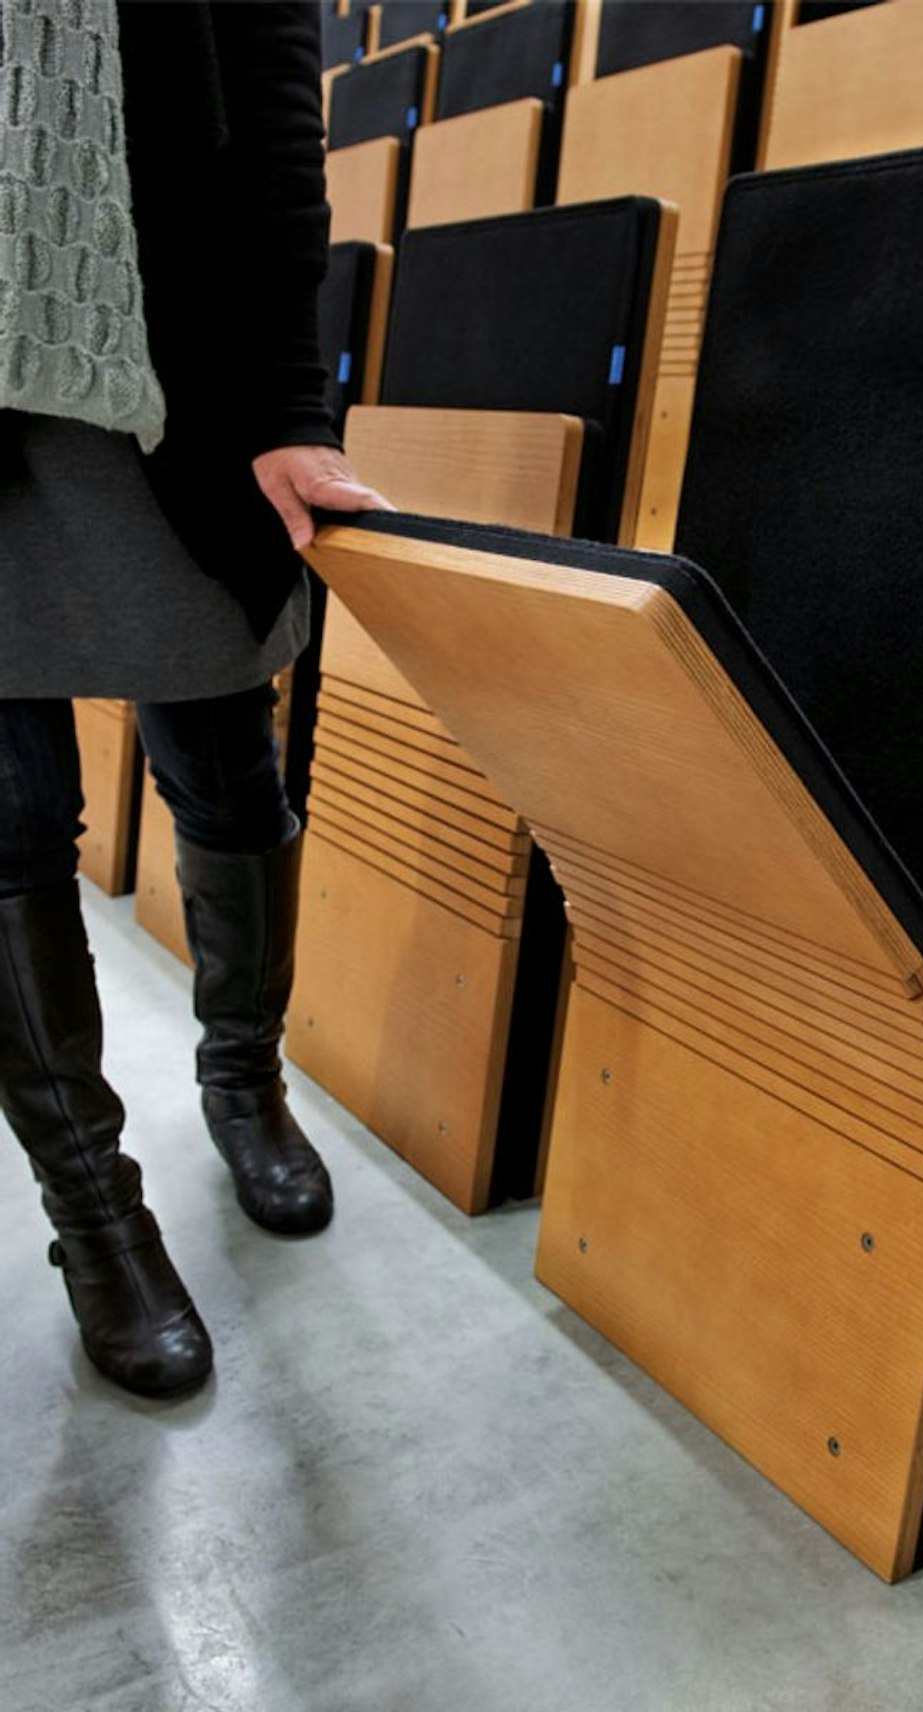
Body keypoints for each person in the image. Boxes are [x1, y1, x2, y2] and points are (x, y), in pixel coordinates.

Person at [0, 1, 391, 1399]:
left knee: (228, 756)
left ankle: (244, 1078)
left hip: (171, 373)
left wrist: (295, 401)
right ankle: (96, 1219)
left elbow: (276, 125)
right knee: (8, 820)